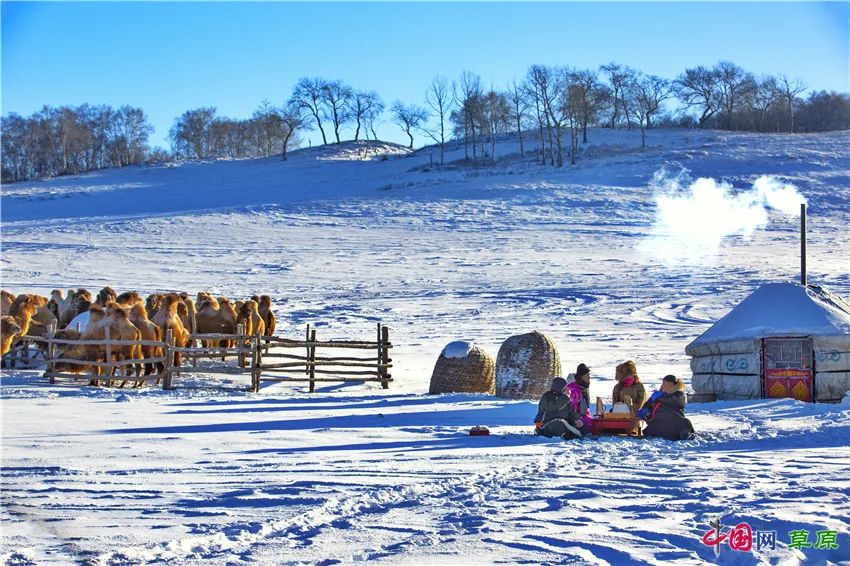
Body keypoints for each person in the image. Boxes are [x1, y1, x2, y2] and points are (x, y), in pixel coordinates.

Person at [638, 374, 695, 441]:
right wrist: (645, 411)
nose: (662, 386)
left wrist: (658, 398)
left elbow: (670, 400)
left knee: (685, 422)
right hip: (659, 422)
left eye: (664, 383)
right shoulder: (659, 395)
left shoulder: (679, 395)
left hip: (675, 422)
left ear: (671, 385)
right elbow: (647, 407)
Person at [567, 363, 594, 434]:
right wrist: (579, 420)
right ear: (581, 377)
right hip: (577, 420)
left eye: (589, 375)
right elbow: (572, 409)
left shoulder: (583, 388)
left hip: (583, 417)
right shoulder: (575, 390)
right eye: (586, 375)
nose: (589, 378)